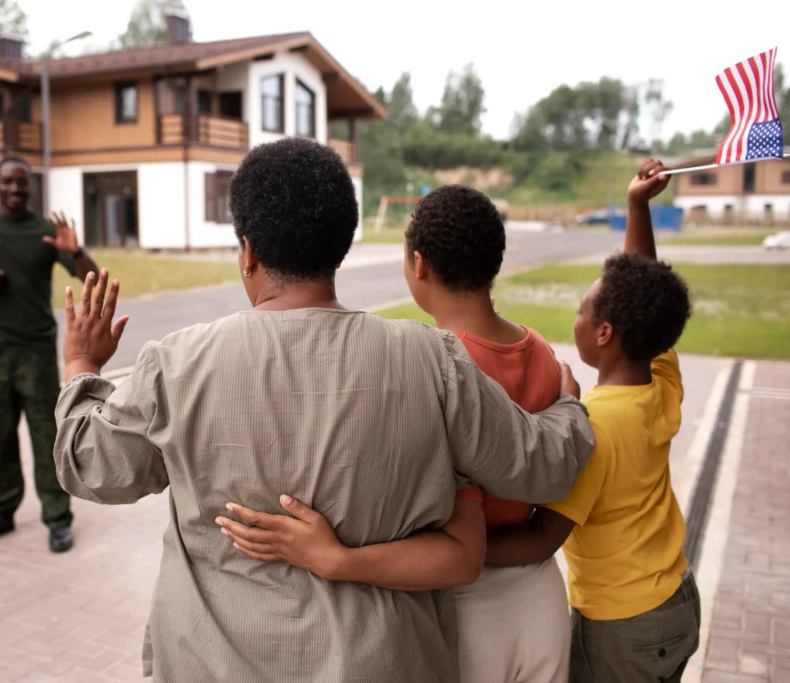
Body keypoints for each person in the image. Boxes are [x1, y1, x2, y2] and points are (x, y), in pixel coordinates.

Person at [53, 137, 595, 683]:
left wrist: (81, 362)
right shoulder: (432, 360)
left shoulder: (177, 364)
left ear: (248, 252)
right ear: (343, 245)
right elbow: (541, 468)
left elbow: (90, 466)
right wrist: (569, 409)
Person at [219, 184, 573, 683]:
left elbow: (455, 539)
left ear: (418, 264)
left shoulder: (436, 368)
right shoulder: (540, 352)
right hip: (540, 593)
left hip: (458, 599)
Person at [479, 159, 698, 682]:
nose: (575, 318)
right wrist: (636, 206)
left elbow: (540, 538)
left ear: (603, 333)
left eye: (582, 310)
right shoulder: (659, 382)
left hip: (624, 626)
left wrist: (458, 550)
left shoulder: (592, 428)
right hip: (674, 599)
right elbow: (643, 286)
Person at [0, 155, 99, 554]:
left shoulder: (46, 230)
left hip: (38, 350)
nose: (14, 189)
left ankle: (58, 519)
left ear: (31, 186)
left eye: (21, 183)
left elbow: (89, 275)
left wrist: (76, 252)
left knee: (48, 435)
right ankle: (0, 514)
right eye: (7, 182)